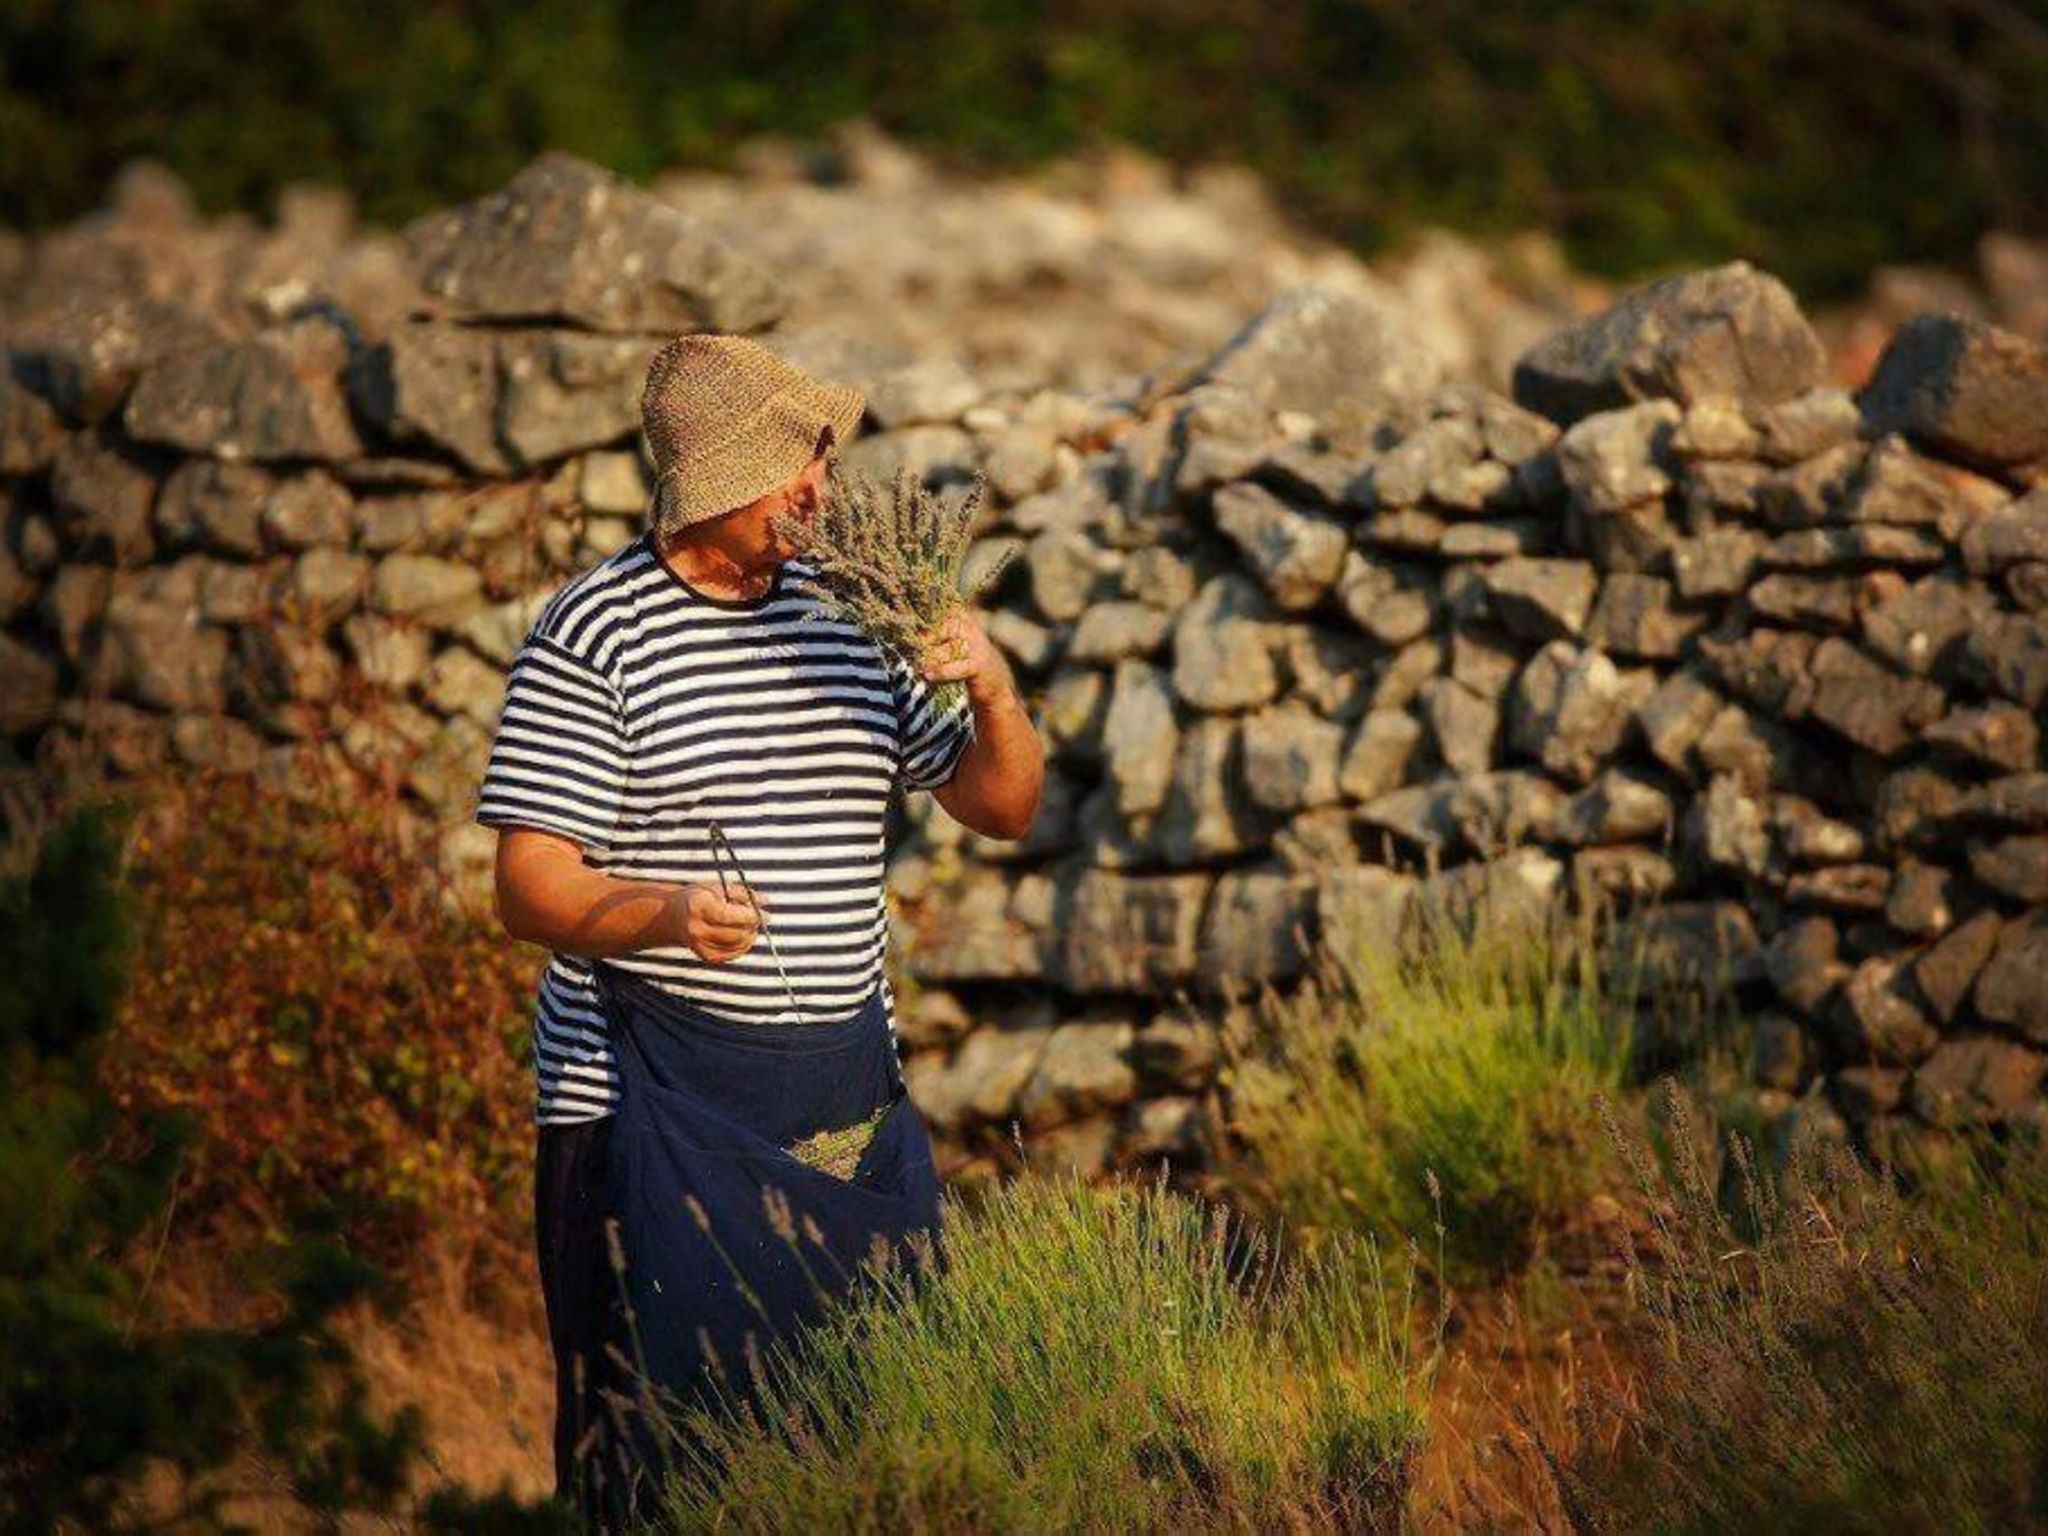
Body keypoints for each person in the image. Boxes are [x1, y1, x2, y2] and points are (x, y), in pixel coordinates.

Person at [472, 333, 1045, 1526]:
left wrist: (989, 684)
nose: (818, 493)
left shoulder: (856, 617)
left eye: (821, 466)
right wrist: (669, 914)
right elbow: (527, 888)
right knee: (651, 1466)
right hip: (636, 1112)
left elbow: (1002, 806)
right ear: (719, 482)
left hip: (844, 1106)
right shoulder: (595, 632)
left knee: (869, 1445)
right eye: (795, 469)